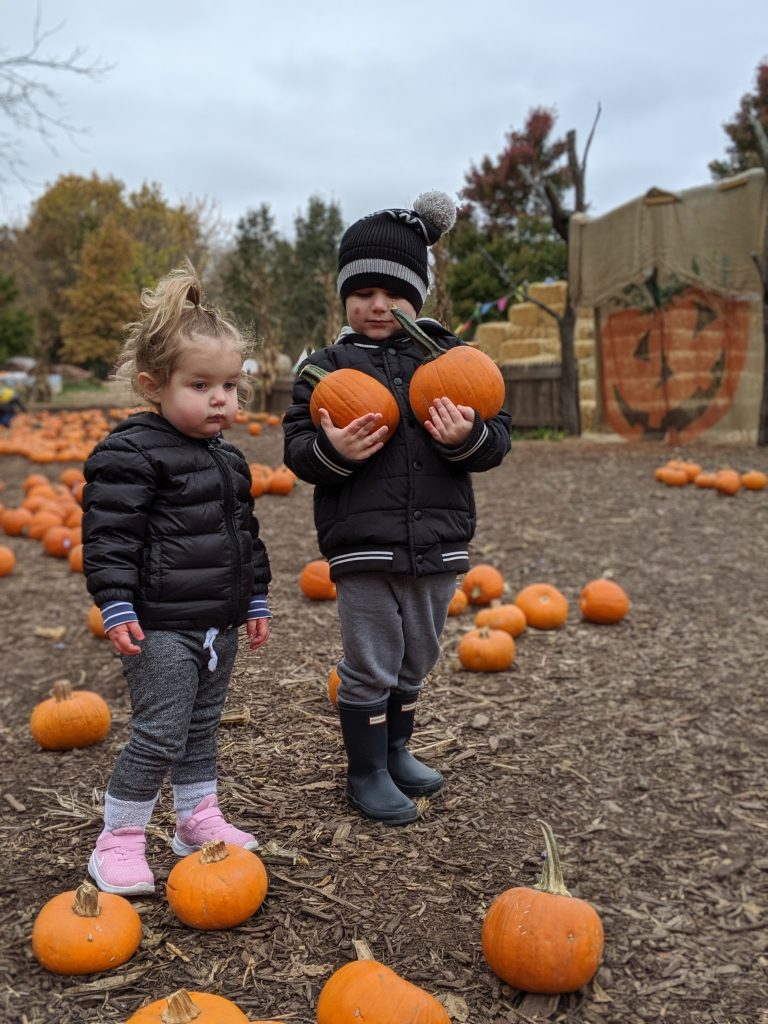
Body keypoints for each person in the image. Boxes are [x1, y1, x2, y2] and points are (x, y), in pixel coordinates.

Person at [283, 191, 511, 825]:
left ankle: (397, 748)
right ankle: (367, 772)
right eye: (362, 291)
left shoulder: (454, 361)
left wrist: (466, 439)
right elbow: (298, 451)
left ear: (419, 297)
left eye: (394, 293)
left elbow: (499, 438)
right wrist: (334, 450)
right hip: (364, 544)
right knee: (372, 660)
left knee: (419, 655)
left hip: (437, 541)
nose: (377, 305)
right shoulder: (324, 369)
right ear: (344, 295)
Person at [81, 262, 272, 895]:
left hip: (217, 622)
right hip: (159, 622)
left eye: (231, 386)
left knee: (201, 726)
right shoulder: (129, 453)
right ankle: (121, 838)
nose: (223, 399)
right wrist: (114, 602)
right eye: (202, 385)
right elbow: (110, 537)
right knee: (160, 730)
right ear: (153, 385)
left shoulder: (229, 459)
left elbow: (243, 536)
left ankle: (196, 817)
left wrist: (255, 598)